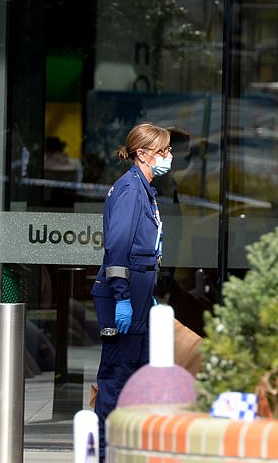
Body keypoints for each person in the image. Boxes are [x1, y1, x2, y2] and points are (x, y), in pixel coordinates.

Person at [91, 123, 172, 461]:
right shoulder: (129, 191)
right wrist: (123, 296)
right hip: (123, 298)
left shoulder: (144, 190)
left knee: (139, 378)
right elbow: (118, 249)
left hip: (138, 297)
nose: (169, 157)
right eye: (163, 151)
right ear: (143, 154)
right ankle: (104, 452)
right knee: (116, 377)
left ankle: (130, 449)